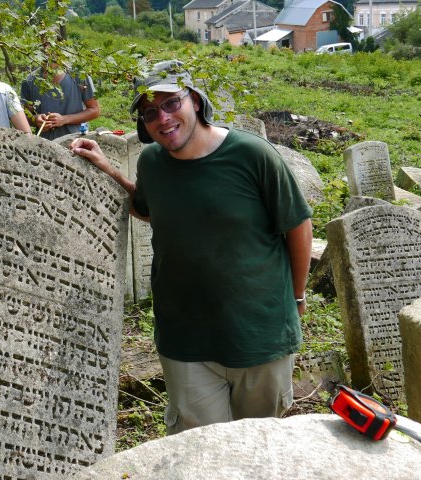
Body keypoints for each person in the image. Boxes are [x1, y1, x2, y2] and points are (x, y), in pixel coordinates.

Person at [70, 60, 313, 435]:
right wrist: (109, 169)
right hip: (185, 340)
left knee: (257, 448)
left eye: (171, 103)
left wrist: (297, 296)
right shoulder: (152, 161)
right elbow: (149, 208)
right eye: (151, 112)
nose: (163, 118)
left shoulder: (252, 155)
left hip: (259, 337)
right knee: (199, 450)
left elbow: (296, 224)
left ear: (195, 101)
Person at [20, 42, 100, 141]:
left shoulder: (78, 76)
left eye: (50, 48)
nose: (46, 52)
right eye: (43, 47)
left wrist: (64, 119)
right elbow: (25, 116)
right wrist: (36, 119)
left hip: (76, 142)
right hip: (43, 145)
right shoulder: (30, 81)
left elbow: (95, 110)